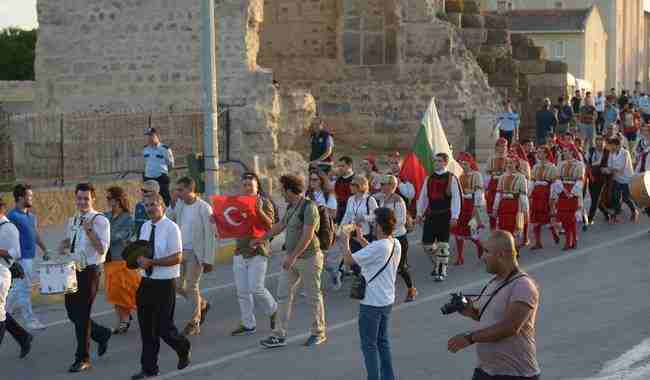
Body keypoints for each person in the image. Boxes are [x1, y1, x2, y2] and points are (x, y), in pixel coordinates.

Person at [447, 230, 541, 380]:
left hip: (516, 375)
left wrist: (470, 338)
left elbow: (510, 327)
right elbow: (487, 317)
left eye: (486, 252)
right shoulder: (494, 282)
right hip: (486, 371)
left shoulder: (523, 286)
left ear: (501, 255)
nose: (482, 257)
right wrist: (467, 309)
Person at [255, 174, 327, 348]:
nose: (282, 193)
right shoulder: (291, 207)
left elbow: (308, 235)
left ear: (289, 190)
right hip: (292, 259)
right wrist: (262, 238)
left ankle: (319, 332)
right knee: (283, 294)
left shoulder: (308, 207)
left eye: (283, 190)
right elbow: (280, 226)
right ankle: (278, 334)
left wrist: (292, 256)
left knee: (313, 296)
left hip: (309, 258)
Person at [132, 194, 191, 379]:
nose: (150, 209)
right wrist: (137, 259)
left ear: (162, 206)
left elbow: (178, 257)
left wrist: (153, 262)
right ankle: (149, 368)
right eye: (147, 205)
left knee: (164, 328)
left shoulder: (171, 228)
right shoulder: (145, 227)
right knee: (147, 329)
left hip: (164, 284)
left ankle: (182, 347)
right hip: (146, 283)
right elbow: (142, 253)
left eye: (153, 205)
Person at [341, 207, 401, 380]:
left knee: (369, 345)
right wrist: (360, 240)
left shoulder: (379, 246)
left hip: (372, 303)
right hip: (387, 300)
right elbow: (375, 254)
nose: (372, 226)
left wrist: (344, 240)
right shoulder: (394, 243)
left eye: (374, 223)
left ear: (380, 226)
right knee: (383, 342)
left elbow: (348, 260)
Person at [58, 183, 112, 373]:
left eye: (86, 199)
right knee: (72, 313)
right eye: (79, 198)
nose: (82, 202)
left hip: (90, 271)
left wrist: (89, 230)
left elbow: (102, 249)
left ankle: (83, 358)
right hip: (72, 270)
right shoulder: (73, 219)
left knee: (81, 315)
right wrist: (63, 245)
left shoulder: (100, 220)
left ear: (93, 199)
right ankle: (101, 333)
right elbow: (72, 242)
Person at [166, 177, 216, 336]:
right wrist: (172, 204)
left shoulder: (204, 208)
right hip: (180, 251)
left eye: (180, 190)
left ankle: (195, 321)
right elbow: (167, 220)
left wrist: (209, 259)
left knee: (191, 286)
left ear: (190, 190)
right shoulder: (179, 205)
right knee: (176, 285)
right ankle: (202, 304)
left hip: (196, 252)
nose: (177, 193)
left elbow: (210, 235)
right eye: (176, 190)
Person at [231, 172, 278, 336]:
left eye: (250, 185)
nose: (247, 188)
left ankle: (274, 310)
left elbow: (271, 226)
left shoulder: (264, 202)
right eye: (244, 185)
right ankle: (248, 323)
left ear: (257, 186)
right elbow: (231, 224)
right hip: (240, 251)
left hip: (258, 251)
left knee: (256, 288)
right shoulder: (236, 203)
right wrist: (218, 221)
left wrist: (258, 210)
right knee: (242, 291)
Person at [6, 184, 49, 331]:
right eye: (29, 196)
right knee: (24, 289)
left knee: (17, 289)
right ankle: (30, 320)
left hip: (30, 258)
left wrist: (45, 249)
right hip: (20, 258)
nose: (31, 198)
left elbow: (35, 235)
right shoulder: (12, 216)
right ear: (20, 198)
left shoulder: (31, 216)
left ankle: (3, 313)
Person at [416, 153, 461, 282]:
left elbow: (456, 199)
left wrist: (455, 216)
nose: (436, 163)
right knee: (427, 244)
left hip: (445, 215)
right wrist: (419, 213)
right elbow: (423, 197)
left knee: (442, 245)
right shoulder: (429, 178)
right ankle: (439, 263)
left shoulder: (451, 178)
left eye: (439, 161)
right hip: (431, 215)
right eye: (435, 161)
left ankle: (441, 270)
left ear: (445, 163)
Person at [0, 196, 33, 359]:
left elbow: (16, 253)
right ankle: (23, 337)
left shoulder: (8, 228)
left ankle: (23, 337)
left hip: (2, 273)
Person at [103, 186, 139, 334]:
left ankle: (125, 318)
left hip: (121, 260)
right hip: (108, 260)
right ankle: (122, 319)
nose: (107, 201)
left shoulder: (128, 218)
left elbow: (120, 236)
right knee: (113, 293)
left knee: (125, 292)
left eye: (109, 198)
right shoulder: (105, 216)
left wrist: (103, 236)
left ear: (117, 200)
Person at [378, 175, 416, 302]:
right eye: (381, 184)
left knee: (401, 267)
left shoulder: (398, 200)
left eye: (384, 184)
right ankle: (387, 293)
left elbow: (401, 220)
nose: (382, 186)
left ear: (391, 185)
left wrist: (387, 227)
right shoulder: (383, 199)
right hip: (387, 238)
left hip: (399, 238)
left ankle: (411, 289)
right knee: (387, 266)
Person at [306, 170, 341, 290]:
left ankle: (335, 274)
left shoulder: (328, 195)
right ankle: (313, 286)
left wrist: (319, 207)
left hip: (325, 230)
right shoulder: (308, 194)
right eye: (311, 179)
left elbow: (334, 213)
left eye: (315, 180)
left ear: (321, 181)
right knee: (312, 259)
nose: (312, 182)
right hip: (311, 230)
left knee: (323, 261)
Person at [451, 153, 485, 265]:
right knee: (458, 231)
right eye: (461, 163)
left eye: (465, 163)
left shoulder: (476, 175)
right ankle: (460, 257)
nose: (463, 165)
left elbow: (479, 191)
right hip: (461, 204)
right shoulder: (459, 175)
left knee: (471, 230)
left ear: (470, 163)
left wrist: (476, 205)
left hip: (471, 205)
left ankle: (480, 246)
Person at [551, 145, 585, 250]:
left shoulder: (579, 165)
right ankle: (572, 239)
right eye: (563, 151)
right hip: (562, 192)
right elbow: (557, 178)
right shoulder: (561, 164)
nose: (564, 153)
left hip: (573, 191)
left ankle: (570, 241)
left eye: (566, 151)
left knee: (571, 218)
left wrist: (573, 192)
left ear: (572, 152)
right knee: (564, 218)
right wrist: (562, 190)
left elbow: (580, 180)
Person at [529, 146, 560, 250]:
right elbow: (532, 181)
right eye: (538, 152)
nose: (538, 154)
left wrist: (552, 196)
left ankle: (554, 232)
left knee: (547, 215)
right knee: (535, 217)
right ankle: (538, 242)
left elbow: (554, 183)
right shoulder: (535, 167)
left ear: (546, 154)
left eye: (541, 152)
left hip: (546, 193)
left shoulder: (552, 167)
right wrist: (529, 192)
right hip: (537, 193)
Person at [492, 156, 528, 243]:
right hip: (504, 205)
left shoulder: (521, 177)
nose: (509, 165)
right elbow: (498, 194)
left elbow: (523, 195)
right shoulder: (502, 177)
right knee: (504, 227)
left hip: (515, 204)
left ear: (516, 164)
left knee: (514, 226)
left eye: (511, 163)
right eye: (507, 163)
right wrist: (495, 208)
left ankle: (514, 248)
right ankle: (507, 247)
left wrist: (525, 209)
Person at [604, 138, 639, 224]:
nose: (611, 147)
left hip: (626, 180)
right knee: (615, 197)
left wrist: (609, 170)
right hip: (616, 179)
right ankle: (617, 214)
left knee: (626, 198)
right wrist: (607, 169)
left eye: (613, 146)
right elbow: (609, 165)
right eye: (610, 146)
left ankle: (634, 211)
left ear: (618, 145)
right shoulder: (611, 153)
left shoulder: (625, 153)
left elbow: (621, 168)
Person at [341, 176, 379, 253]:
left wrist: (363, 218)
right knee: (353, 259)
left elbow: (377, 216)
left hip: (365, 235)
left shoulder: (370, 200)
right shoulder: (350, 199)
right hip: (352, 234)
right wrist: (341, 229)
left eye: (352, 184)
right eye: (350, 184)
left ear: (360, 186)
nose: (350, 186)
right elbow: (347, 216)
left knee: (364, 260)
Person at [143, 127, 175, 206]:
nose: (149, 138)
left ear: (157, 136)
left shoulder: (164, 149)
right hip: (149, 178)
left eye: (151, 136)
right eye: (148, 136)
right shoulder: (145, 149)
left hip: (161, 178)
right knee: (149, 200)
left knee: (164, 199)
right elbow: (146, 163)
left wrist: (163, 173)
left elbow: (171, 164)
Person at [586, 136, 611, 224]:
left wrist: (605, 168)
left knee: (595, 199)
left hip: (601, 178)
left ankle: (590, 218)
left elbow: (609, 165)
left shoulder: (607, 152)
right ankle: (606, 213)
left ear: (604, 143)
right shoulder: (591, 150)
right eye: (598, 141)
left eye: (601, 142)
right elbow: (587, 161)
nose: (599, 144)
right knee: (595, 199)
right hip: (591, 176)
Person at [485, 138, 509, 230]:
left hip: (505, 185)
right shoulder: (491, 159)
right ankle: (493, 231)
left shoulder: (509, 159)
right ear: (497, 147)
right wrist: (486, 189)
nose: (503, 148)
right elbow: (487, 174)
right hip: (493, 185)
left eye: (505, 146)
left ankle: (504, 232)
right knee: (492, 208)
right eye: (501, 146)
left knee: (504, 209)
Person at [334, 156, 356, 224]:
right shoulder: (339, 180)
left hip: (352, 214)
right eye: (339, 166)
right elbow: (336, 195)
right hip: (339, 212)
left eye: (342, 166)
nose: (340, 168)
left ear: (350, 166)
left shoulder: (356, 179)